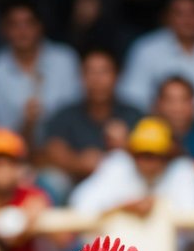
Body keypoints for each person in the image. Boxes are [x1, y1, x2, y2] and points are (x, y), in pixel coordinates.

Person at [68, 116, 194, 251]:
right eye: (141, 154)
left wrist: (157, 207)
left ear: (168, 154)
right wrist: (124, 208)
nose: (148, 162)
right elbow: (81, 204)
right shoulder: (117, 165)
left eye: (155, 155)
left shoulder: (183, 171)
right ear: (132, 152)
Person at [0, 0, 81, 144]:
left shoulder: (65, 60)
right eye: (14, 25)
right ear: (4, 30)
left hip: (68, 150)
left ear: (40, 26)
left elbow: (80, 113)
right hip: (13, 157)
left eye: (28, 23)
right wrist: (25, 124)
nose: (22, 31)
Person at [117, 0, 194, 114]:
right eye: (179, 14)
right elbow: (133, 98)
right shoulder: (146, 48)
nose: (187, 19)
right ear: (167, 17)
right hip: (159, 123)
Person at [41, 47, 142, 189]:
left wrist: (127, 147)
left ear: (117, 76)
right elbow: (52, 151)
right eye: (90, 72)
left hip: (125, 187)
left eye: (104, 72)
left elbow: (159, 156)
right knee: (52, 179)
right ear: (80, 77)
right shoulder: (65, 114)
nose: (97, 80)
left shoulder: (134, 115)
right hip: (77, 185)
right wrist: (78, 162)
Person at [152, 75, 194, 147]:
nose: (177, 108)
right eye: (169, 100)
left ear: (193, 104)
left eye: (184, 100)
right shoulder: (145, 137)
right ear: (158, 104)